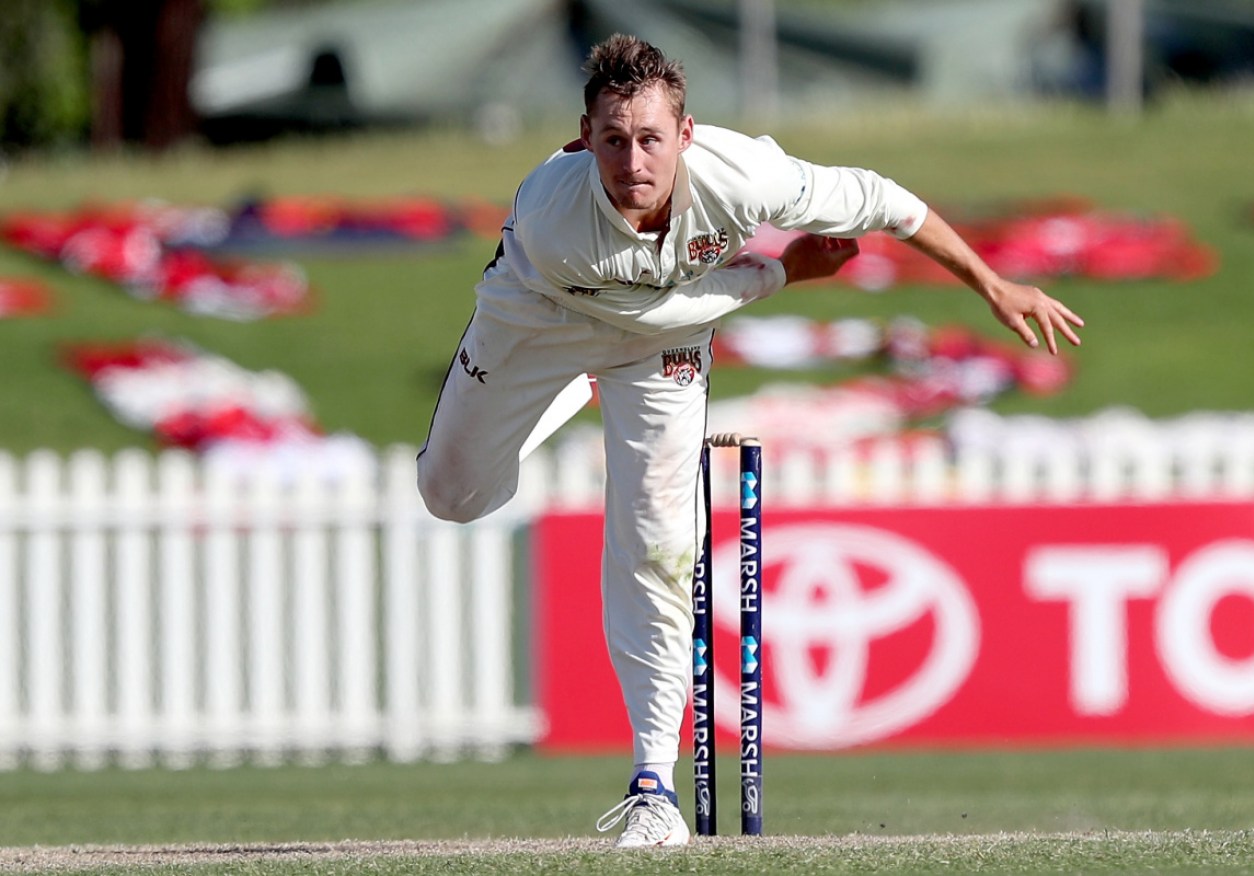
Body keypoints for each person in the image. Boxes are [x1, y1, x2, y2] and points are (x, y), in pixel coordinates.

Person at [417, 34, 1083, 847]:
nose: (634, 161)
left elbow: (884, 202)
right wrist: (783, 275)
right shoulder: (555, 216)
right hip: (538, 324)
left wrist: (992, 282)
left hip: (657, 343)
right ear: (581, 138)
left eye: (652, 138)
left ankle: (651, 790)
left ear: (687, 135)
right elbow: (670, 307)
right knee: (451, 496)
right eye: (615, 140)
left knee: (659, 547)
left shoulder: (744, 174)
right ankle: (571, 389)